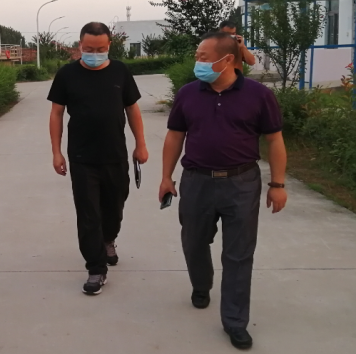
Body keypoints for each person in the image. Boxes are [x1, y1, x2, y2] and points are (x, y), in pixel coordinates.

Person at [158, 32, 287, 350]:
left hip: (241, 183)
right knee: (193, 242)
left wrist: (278, 184)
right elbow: (175, 136)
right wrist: (166, 177)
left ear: (227, 59)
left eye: (203, 57)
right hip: (196, 181)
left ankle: (235, 321)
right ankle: (201, 285)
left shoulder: (259, 95)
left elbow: (274, 140)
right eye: (197, 56)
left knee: (239, 254)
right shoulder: (188, 94)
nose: (197, 62)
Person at [48, 22, 149, 296]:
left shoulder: (120, 71)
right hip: (82, 157)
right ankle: (96, 268)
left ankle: (108, 239)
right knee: (88, 213)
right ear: (80, 45)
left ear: (109, 46)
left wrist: (140, 144)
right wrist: (56, 151)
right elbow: (56, 113)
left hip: (115, 154)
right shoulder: (67, 74)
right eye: (89, 49)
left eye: (100, 49)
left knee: (114, 207)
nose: (95, 54)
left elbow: (132, 109)